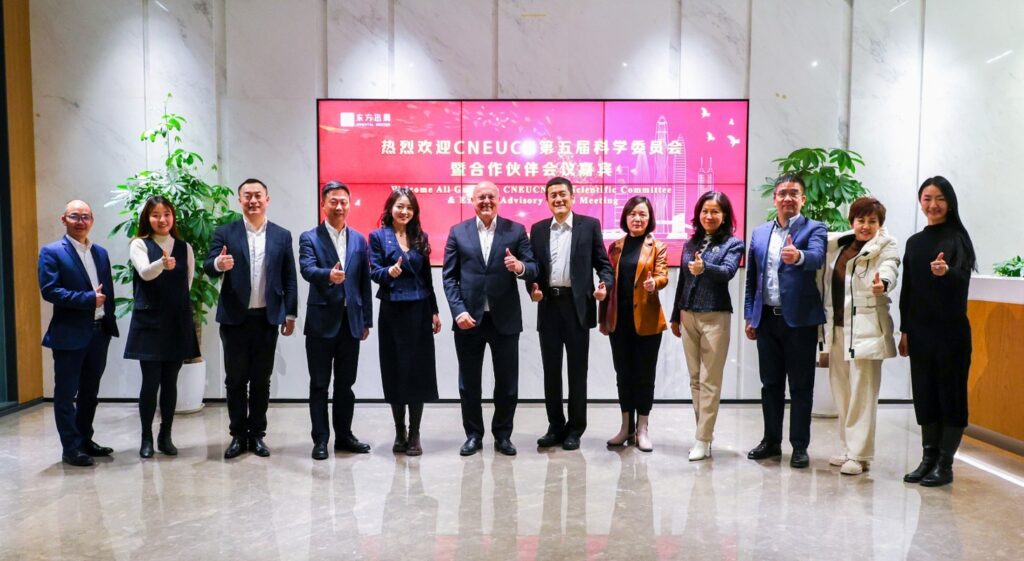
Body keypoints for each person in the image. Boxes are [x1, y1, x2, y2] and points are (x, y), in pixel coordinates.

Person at [442, 180, 538, 456]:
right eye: (480, 197)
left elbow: (533, 267)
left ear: (499, 200)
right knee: (469, 383)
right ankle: (473, 435)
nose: (486, 201)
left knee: (507, 383)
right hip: (468, 320)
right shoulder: (458, 232)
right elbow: (449, 277)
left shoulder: (515, 230)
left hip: (504, 319)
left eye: (491, 197)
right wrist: (458, 311)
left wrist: (519, 267)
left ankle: (503, 435)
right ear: (472, 201)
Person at [204, 178, 298, 459]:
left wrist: (290, 313)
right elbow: (209, 266)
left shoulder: (282, 235)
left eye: (258, 195)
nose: (253, 200)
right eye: (247, 196)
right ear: (240, 200)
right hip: (235, 318)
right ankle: (237, 435)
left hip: (267, 318)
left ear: (267, 199)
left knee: (261, 380)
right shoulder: (225, 232)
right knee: (235, 380)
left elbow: (289, 277)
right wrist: (219, 263)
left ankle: (257, 435)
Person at [744, 174, 827, 468]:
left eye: (794, 193)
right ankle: (771, 441)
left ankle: (800, 446)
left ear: (803, 199)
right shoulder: (759, 233)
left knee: (801, 386)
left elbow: (817, 257)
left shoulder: (815, 228)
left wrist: (798, 256)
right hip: (767, 319)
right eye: (783, 193)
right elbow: (752, 278)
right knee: (770, 385)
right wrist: (750, 315)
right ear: (774, 198)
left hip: (800, 322)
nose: (788, 198)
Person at [899, 176, 976, 487]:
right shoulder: (914, 242)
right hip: (920, 332)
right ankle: (928, 458)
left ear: (950, 203)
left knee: (950, 396)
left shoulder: (958, 238)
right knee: (925, 395)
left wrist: (947, 272)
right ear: (920, 202)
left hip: (951, 333)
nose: (933, 205)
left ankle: (945, 464)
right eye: (927, 198)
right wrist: (904, 330)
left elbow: (963, 281)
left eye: (940, 198)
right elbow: (907, 290)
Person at [528, 177, 614, 451]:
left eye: (563, 194)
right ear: (547, 200)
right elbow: (534, 269)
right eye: (553, 195)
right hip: (549, 306)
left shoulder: (589, 226)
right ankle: (555, 426)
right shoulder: (538, 230)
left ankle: (576, 428)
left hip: (577, 307)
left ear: (572, 197)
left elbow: (604, 265)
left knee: (578, 371)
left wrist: (604, 285)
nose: (558, 199)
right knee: (551, 371)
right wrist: (533, 289)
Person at [817, 197, 900, 475]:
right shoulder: (839, 244)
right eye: (860, 220)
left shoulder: (886, 245)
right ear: (851, 221)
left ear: (880, 224)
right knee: (842, 391)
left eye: (872, 221)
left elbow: (890, 267)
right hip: (837, 329)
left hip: (867, 328)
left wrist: (883, 283)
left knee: (862, 393)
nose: (865, 226)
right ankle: (848, 448)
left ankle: (859, 454)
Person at [38, 200, 119, 467]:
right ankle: (70, 448)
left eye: (86, 216)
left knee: (89, 394)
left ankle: (85, 440)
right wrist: (87, 299)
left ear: (92, 220)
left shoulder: (100, 253)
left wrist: (108, 320)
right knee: (65, 395)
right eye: (75, 216)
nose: (81, 221)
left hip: (99, 332)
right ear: (64, 219)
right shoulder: (51, 252)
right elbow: (50, 291)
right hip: (69, 335)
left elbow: (107, 291)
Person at [300, 181, 374, 460]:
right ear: (323, 204)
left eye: (344, 201)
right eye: (333, 201)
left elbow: (364, 283)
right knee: (319, 384)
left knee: (346, 384)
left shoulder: (359, 240)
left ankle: (344, 436)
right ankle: (320, 439)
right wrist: (327, 275)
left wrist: (366, 320)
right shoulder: (310, 237)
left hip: (351, 322)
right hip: (321, 321)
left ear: (349, 204)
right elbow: (307, 269)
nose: (339, 206)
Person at [123, 196, 200, 458]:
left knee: (170, 382)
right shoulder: (139, 244)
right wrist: (162, 264)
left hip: (176, 322)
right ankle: (146, 438)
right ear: (148, 218)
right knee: (150, 382)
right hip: (149, 323)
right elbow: (145, 273)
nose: (162, 219)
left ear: (173, 217)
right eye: (155, 215)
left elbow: (187, 283)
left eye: (166, 214)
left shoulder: (185, 247)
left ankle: (165, 436)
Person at [669, 191, 744, 461]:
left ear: (724, 216)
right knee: (695, 380)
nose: (709, 216)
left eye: (715, 211)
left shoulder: (733, 243)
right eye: (704, 211)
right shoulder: (690, 243)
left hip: (715, 317)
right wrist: (675, 315)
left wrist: (705, 268)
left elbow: (727, 272)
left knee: (709, 381)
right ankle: (704, 434)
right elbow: (682, 281)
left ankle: (702, 439)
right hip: (687, 315)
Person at [369, 188, 442, 456]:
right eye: (400, 206)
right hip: (392, 311)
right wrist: (389, 272)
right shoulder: (377, 236)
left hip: (419, 310)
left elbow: (427, 278)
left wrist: (434, 310)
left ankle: (415, 433)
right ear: (390, 209)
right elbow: (374, 271)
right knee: (395, 370)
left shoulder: (420, 236)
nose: (404, 211)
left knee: (417, 371)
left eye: (409, 207)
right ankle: (399, 431)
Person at [599, 196, 668, 452]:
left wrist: (654, 283)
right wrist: (602, 297)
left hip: (647, 322)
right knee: (624, 375)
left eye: (642, 214)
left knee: (644, 376)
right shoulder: (615, 247)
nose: (637, 219)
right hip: (619, 321)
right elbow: (608, 279)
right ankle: (625, 427)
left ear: (650, 219)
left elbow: (662, 275)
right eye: (632, 214)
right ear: (625, 217)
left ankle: (643, 429)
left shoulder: (657, 246)